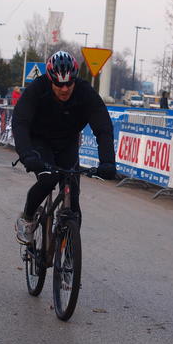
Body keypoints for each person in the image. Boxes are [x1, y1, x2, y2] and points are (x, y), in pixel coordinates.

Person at [11, 50, 116, 244]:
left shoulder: (85, 92)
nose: (65, 89)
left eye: (69, 83)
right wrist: (26, 154)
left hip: (67, 142)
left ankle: (67, 247)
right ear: (50, 80)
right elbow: (20, 122)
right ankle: (27, 219)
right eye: (59, 84)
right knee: (48, 179)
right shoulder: (38, 89)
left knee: (73, 199)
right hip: (40, 140)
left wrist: (108, 161)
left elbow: (103, 128)